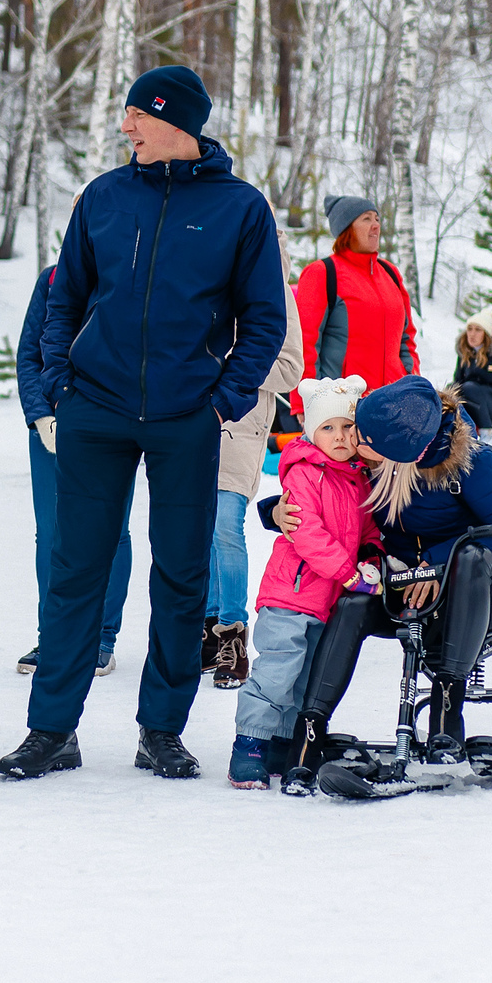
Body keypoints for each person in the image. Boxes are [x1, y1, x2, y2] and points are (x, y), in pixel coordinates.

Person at [0, 64, 287, 782]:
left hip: (187, 415)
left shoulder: (239, 209)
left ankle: (162, 729)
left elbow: (265, 319)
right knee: (75, 571)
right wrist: (62, 382)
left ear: (178, 123)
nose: (125, 126)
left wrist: (223, 398)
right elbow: (65, 299)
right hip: (95, 409)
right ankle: (51, 730)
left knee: (182, 574)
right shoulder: (102, 197)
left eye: (137, 114)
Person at [263, 374, 492, 780]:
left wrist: (438, 564)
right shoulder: (374, 455)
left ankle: (446, 719)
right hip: (406, 590)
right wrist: (274, 511)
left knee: (474, 557)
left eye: (362, 439)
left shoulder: (473, 464)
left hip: (480, 594)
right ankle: (309, 731)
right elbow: (324, 491)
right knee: (354, 600)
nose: (353, 442)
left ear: (399, 451)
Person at [229, 376, 379, 788]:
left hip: (326, 601)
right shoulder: (304, 473)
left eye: (347, 427)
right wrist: (349, 573)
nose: (340, 436)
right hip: (290, 596)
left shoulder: (358, 477)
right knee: (278, 672)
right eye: (328, 428)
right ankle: (249, 745)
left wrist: (371, 557)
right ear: (312, 433)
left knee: (306, 679)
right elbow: (307, 533)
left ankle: (281, 744)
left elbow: (368, 529)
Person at [15, 263, 132, 678]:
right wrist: (40, 415)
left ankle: (101, 637)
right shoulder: (51, 279)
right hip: (51, 425)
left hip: (112, 424)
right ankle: (55, 636)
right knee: (51, 530)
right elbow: (29, 353)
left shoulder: (131, 277)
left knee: (111, 530)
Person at [203, 226, 304, 689]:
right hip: (194, 421)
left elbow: (290, 370)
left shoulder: (278, 294)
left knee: (225, 526)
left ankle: (233, 634)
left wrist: (232, 367)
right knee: (194, 530)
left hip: (242, 423)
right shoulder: (208, 283)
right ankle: (205, 631)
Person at [289, 195, 416, 418]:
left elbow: (406, 339)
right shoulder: (322, 273)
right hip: (343, 406)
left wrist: (411, 380)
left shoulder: (391, 274)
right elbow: (304, 343)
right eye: (366, 219)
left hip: (394, 405)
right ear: (346, 228)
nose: (376, 225)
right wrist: (304, 403)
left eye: (377, 218)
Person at [452, 308, 492, 446]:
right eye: (470, 329)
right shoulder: (464, 354)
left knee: (470, 388)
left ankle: (488, 436)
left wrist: (476, 390)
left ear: (486, 334)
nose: (472, 334)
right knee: (451, 390)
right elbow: (457, 385)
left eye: (478, 330)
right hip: (471, 408)